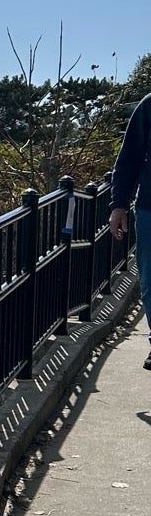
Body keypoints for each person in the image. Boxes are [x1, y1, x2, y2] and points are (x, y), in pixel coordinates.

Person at [109, 91, 151, 366]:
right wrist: (119, 205)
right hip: (150, 207)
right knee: (150, 278)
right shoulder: (150, 106)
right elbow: (129, 158)